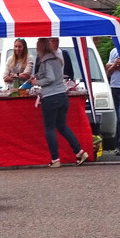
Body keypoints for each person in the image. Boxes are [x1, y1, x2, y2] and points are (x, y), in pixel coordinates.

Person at [33, 37, 88, 168]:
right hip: (62, 96)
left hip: (51, 97)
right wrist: (37, 76)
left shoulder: (45, 61)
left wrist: (37, 82)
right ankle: (79, 151)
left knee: (49, 128)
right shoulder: (57, 59)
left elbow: (50, 78)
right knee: (62, 126)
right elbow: (53, 75)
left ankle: (55, 159)